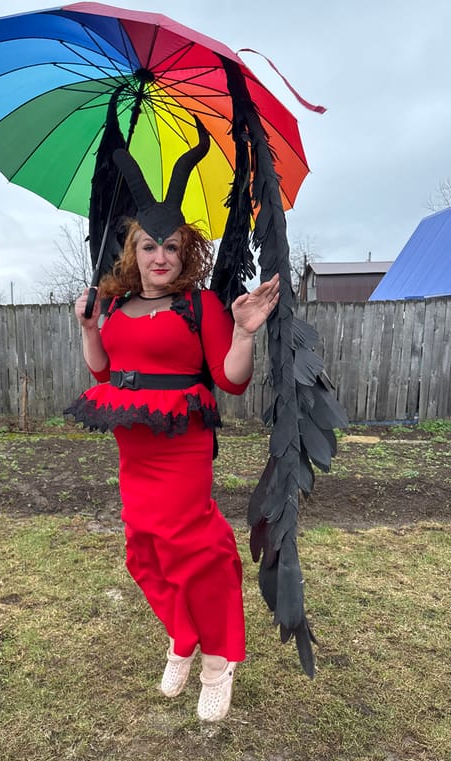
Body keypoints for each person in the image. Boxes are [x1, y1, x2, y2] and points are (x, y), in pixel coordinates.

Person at [66, 125, 279, 722]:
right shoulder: (114, 304)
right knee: (143, 552)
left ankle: (218, 658)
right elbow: (104, 372)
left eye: (171, 247)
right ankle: (182, 634)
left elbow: (231, 379)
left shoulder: (200, 305)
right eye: (147, 247)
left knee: (193, 548)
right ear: (132, 251)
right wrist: (87, 329)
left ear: (186, 253)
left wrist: (242, 331)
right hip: (132, 447)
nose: (159, 257)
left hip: (180, 447)